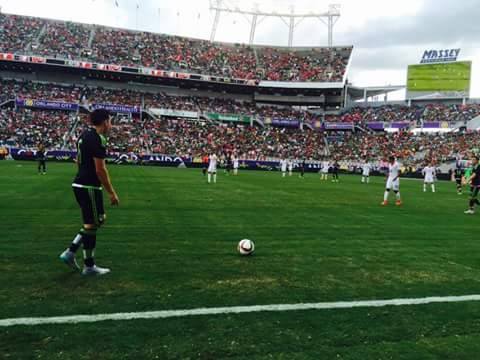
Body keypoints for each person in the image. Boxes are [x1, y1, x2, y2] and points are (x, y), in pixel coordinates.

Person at [60, 109, 119, 276]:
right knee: (92, 224)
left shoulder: (84, 135)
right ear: (105, 122)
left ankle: (71, 252)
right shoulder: (97, 139)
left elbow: (78, 160)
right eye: (110, 121)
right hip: (89, 186)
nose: (111, 125)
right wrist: (112, 193)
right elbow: (100, 169)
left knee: (97, 221)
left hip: (81, 184)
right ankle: (89, 266)